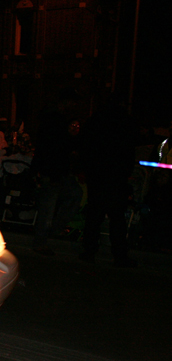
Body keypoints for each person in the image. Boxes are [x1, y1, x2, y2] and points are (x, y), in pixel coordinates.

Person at [78, 94, 137, 266]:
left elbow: (85, 146)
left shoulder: (95, 121)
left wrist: (86, 169)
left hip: (98, 174)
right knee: (117, 216)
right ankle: (119, 254)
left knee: (95, 214)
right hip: (115, 175)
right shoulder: (124, 123)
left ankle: (89, 250)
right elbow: (128, 150)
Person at [30, 90, 84, 255]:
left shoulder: (57, 120)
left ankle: (53, 229)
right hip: (53, 170)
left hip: (58, 170)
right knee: (49, 205)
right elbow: (51, 148)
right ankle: (42, 239)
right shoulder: (54, 121)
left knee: (73, 194)